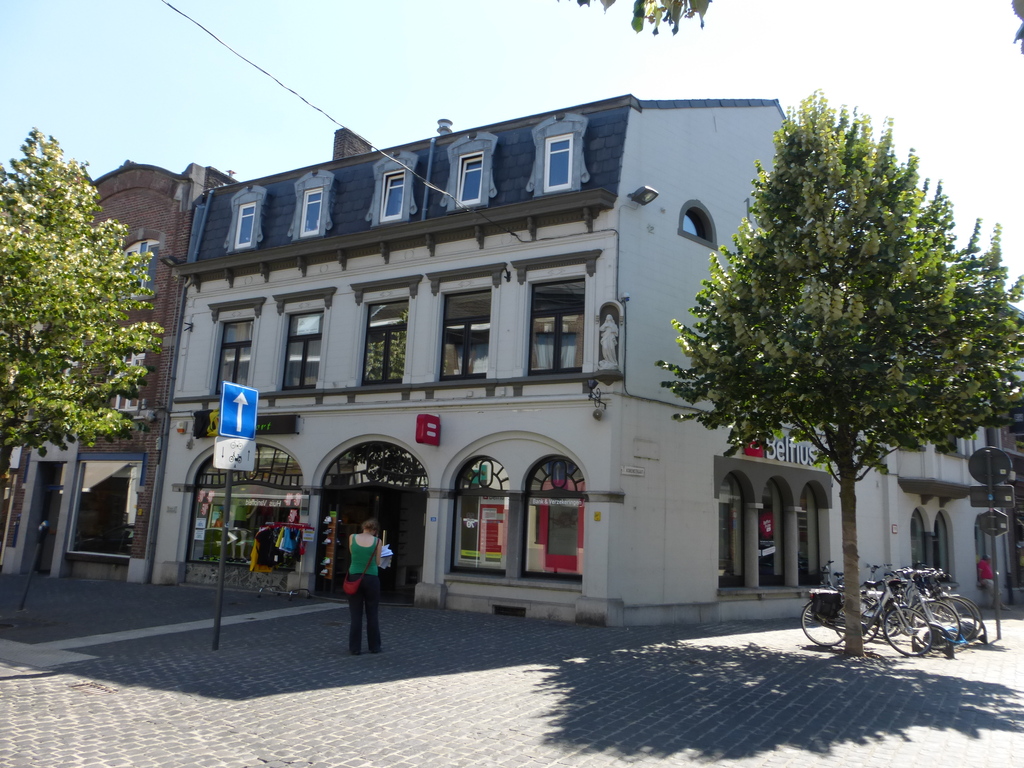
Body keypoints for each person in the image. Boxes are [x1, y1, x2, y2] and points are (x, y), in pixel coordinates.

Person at [347, 518, 383, 655]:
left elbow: (353, 554)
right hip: (371, 577)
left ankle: (355, 648)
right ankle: (374, 646)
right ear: (375, 530)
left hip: (354, 577)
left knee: (355, 614)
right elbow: (378, 562)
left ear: (363, 528)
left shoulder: (352, 537)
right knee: (372, 613)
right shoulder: (377, 541)